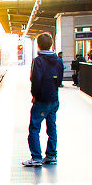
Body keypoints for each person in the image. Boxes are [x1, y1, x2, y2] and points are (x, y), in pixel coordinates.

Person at [22, 33, 63, 167]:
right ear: (51, 44)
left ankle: (36, 158)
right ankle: (51, 155)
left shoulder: (38, 61)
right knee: (52, 127)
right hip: (54, 99)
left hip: (41, 100)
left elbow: (35, 80)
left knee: (34, 128)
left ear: (38, 44)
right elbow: (59, 80)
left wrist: (35, 96)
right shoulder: (58, 60)